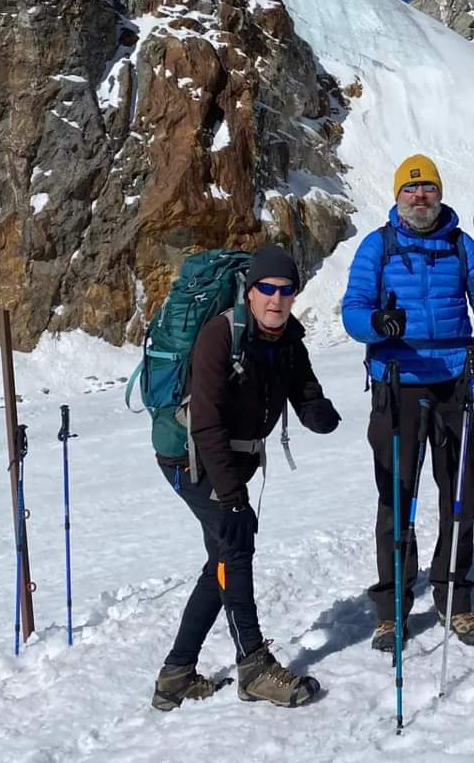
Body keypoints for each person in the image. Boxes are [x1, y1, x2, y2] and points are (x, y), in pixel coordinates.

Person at [152, 245, 341, 709]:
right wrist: (234, 500)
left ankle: (176, 674)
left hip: (229, 461)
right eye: (267, 289)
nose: (276, 299)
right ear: (251, 291)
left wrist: (316, 409)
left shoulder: (287, 338)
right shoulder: (220, 336)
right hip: (191, 459)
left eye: (286, 290)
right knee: (235, 549)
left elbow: (303, 384)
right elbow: (207, 423)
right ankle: (253, 665)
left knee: (222, 558)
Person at [342, 153, 474, 651]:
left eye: (428, 189)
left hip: (456, 383)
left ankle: (455, 598)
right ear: (398, 197)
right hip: (398, 382)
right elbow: (353, 309)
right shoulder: (378, 246)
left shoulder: (461, 246)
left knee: (457, 498)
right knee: (397, 499)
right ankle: (392, 609)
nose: (420, 198)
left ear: (439, 193)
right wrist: (379, 325)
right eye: (411, 190)